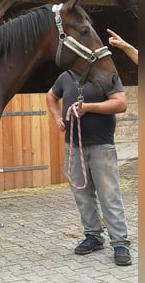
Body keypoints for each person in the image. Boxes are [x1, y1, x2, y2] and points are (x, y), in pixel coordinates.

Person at [46, 70, 132, 266]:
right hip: (73, 146)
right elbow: (51, 95)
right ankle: (93, 236)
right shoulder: (65, 76)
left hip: (102, 146)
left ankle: (120, 243)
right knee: (82, 194)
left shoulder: (105, 74)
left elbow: (121, 103)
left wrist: (88, 108)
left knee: (109, 195)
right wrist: (57, 117)